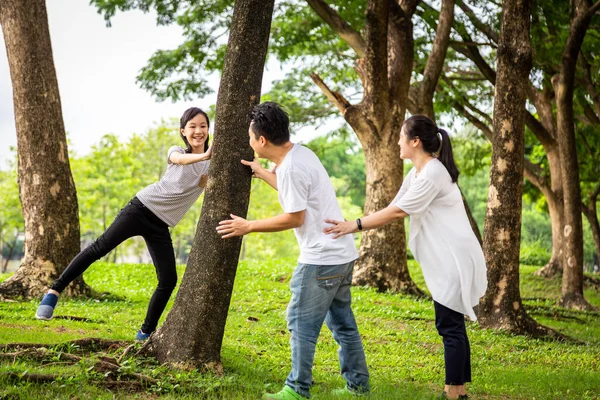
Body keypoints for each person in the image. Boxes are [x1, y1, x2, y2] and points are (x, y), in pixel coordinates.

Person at [324, 115, 487, 400]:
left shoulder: (434, 173)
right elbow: (394, 205)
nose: (398, 141)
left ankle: (453, 393)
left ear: (415, 141)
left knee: (449, 325)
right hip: (446, 255)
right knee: (451, 324)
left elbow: (399, 212)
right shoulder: (418, 173)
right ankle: (458, 391)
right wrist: (356, 222)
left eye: (402, 136)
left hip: (454, 257)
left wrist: (356, 225)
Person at [216, 102, 369, 399]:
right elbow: (297, 196)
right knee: (343, 324)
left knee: (301, 322)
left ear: (262, 140)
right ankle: (358, 387)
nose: (249, 142)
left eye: (250, 137)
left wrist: (249, 226)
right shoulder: (300, 154)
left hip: (320, 259)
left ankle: (297, 389)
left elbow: (294, 217)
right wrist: (262, 173)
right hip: (341, 253)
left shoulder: (292, 168)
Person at [36, 107, 213, 341]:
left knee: (168, 280)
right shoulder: (177, 151)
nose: (198, 131)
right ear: (183, 131)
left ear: (208, 129)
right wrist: (205, 155)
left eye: (203, 126)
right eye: (192, 126)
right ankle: (53, 291)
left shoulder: (211, 165)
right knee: (100, 247)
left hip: (161, 225)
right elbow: (180, 160)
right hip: (140, 209)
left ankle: (145, 332)